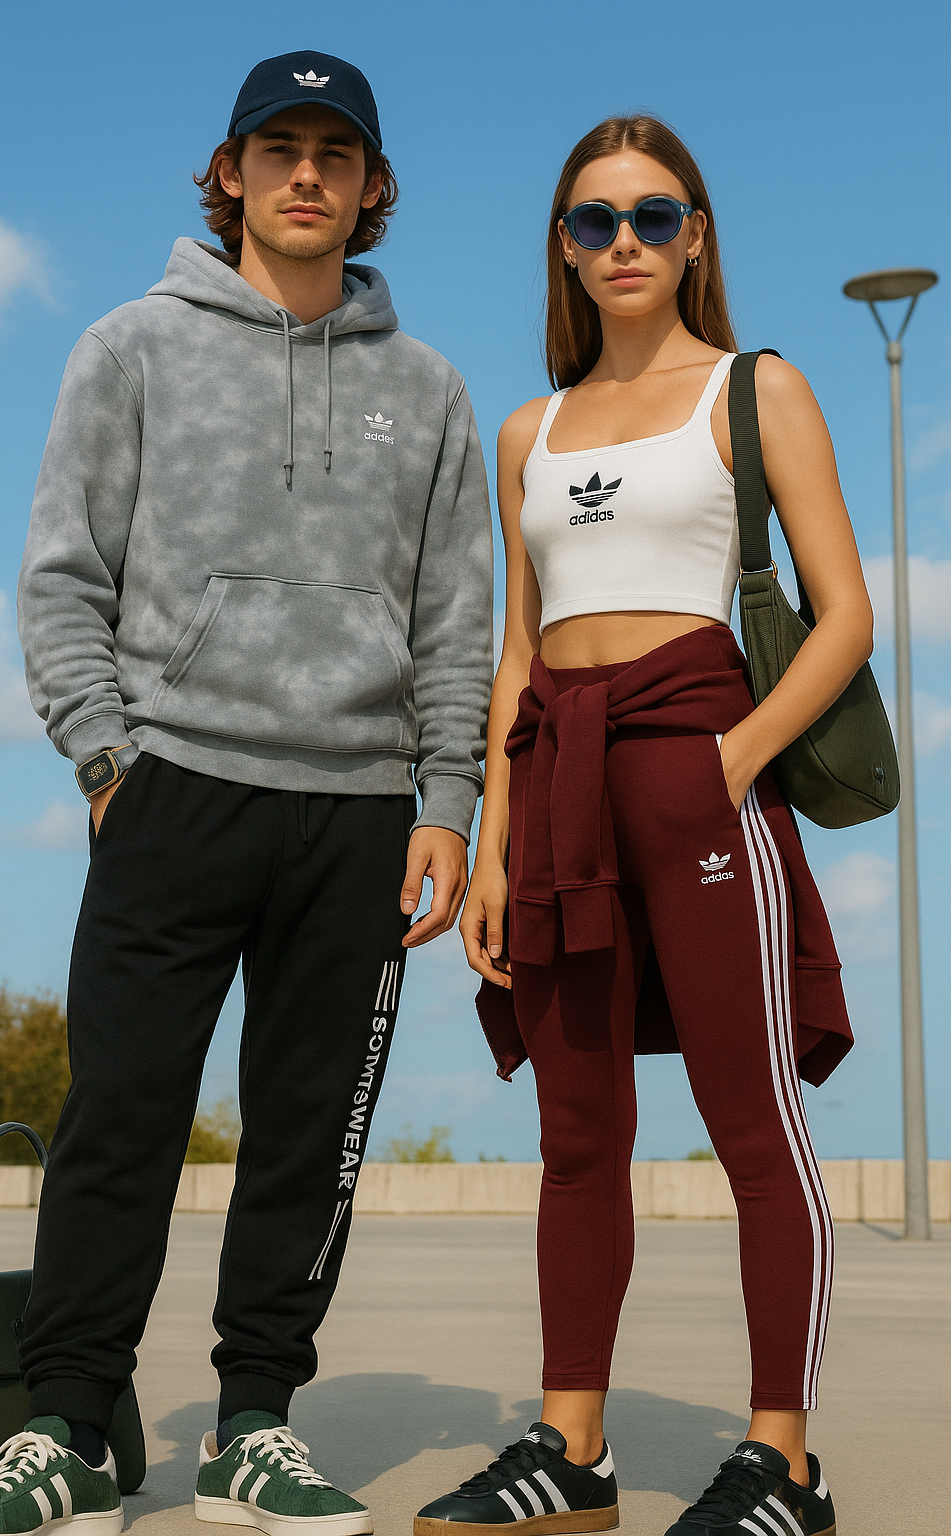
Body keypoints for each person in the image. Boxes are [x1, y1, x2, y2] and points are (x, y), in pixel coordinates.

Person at [0, 51, 491, 1536]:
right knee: (120, 1118)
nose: (305, 174)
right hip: (174, 788)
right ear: (230, 171)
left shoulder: (428, 392)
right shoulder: (129, 348)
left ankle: (255, 1425)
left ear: (372, 186)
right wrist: (110, 763)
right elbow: (62, 581)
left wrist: (448, 800)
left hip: (364, 814)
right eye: (277, 147)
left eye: (335, 152)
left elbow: (456, 621)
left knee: (309, 1137)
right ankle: (59, 1432)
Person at [415, 115, 863, 1536]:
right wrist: (491, 846)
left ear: (697, 236)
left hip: (697, 769)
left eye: (654, 217)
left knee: (752, 1125)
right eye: (595, 220)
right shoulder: (526, 430)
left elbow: (845, 616)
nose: (625, 244)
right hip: (555, 788)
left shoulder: (757, 389)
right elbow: (515, 651)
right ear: (561, 243)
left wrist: (727, 761)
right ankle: (571, 1448)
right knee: (576, 1131)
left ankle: (786, 1459)